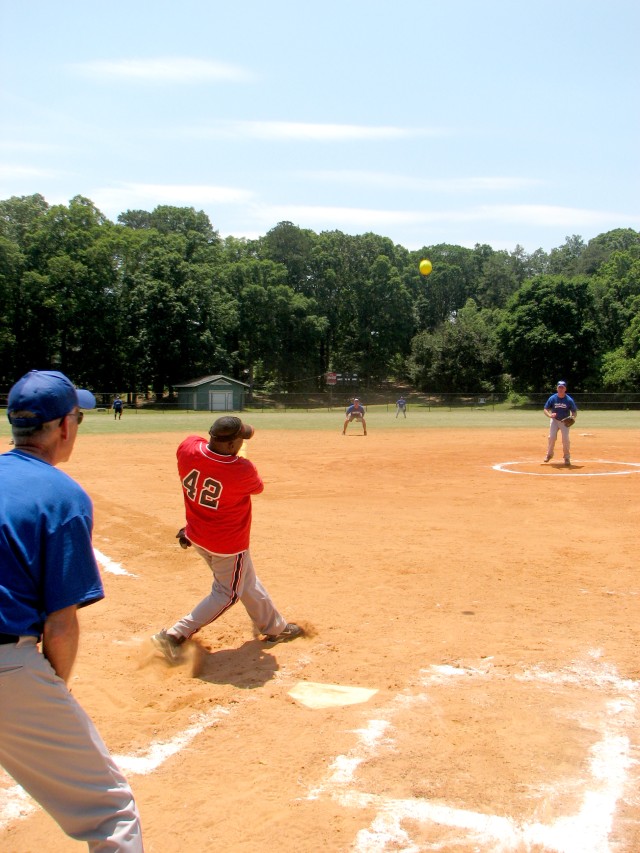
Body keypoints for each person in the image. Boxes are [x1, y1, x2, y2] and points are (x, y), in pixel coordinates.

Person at [0, 370, 143, 852]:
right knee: (109, 811)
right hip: (6, 669)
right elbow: (60, 624)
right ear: (64, 425)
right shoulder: (62, 496)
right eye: (78, 417)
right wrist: (51, 692)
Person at [151, 416, 302, 664]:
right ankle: (174, 635)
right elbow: (258, 488)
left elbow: (205, 449)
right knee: (227, 593)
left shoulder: (188, 447)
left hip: (196, 533)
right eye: (240, 439)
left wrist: (228, 454)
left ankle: (275, 627)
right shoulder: (242, 470)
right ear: (232, 445)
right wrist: (237, 461)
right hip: (227, 544)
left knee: (246, 581)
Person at [543, 380, 578, 465]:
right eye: (559, 387)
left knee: (565, 439)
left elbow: (574, 412)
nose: (561, 389)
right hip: (554, 420)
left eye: (562, 387)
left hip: (564, 421)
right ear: (557, 388)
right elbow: (545, 409)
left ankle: (566, 458)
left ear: (565, 389)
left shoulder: (569, 400)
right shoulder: (553, 398)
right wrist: (550, 415)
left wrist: (572, 417)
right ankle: (549, 455)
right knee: (551, 437)